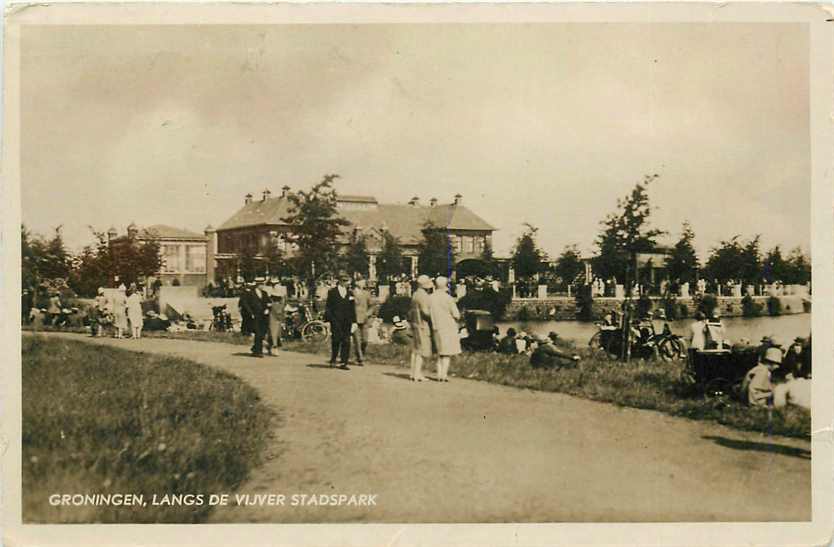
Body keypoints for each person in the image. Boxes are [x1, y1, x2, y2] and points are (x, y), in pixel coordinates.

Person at [428, 276, 461, 382]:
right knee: (446, 353)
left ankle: (439, 374)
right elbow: (456, 314)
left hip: (435, 326)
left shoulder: (430, 298)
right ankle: (443, 375)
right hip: (448, 326)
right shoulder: (448, 298)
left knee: (439, 352)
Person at [324, 273, 357, 369]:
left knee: (346, 341)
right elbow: (328, 307)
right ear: (340, 281)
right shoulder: (332, 292)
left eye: (348, 281)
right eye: (345, 281)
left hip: (347, 321)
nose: (347, 283)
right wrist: (328, 320)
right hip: (336, 320)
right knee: (336, 340)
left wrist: (354, 321)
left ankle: (344, 362)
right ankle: (333, 359)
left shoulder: (350, 293)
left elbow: (352, 308)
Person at [407, 274, 433, 382]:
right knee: (421, 350)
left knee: (416, 350)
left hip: (415, 323)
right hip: (422, 324)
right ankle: (418, 374)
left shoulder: (415, 294)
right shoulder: (423, 296)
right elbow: (425, 312)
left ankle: (413, 373)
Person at [240, 283, 270, 357]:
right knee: (258, 333)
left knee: (263, 332)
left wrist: (267, 309)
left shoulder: (264, 293)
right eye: (261, 285)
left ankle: (255, 348)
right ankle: (258, 351)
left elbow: (268, 302)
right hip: (255, 315)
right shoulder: (251, 293)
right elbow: (245, 303)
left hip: (263, 316)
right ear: (258, 285)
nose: (263, 286)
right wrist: (250, 313)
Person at [352, 278, 376, 365]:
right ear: (356, 283)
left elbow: (372, 306)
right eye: (362, 282)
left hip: (365, 320)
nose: (364, 284)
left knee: (365, 340)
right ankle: (360, 358)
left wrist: (368, 314)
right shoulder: (351, 293)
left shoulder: (366, 294)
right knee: (357, 340)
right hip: (354, 320)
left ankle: (361, 354)